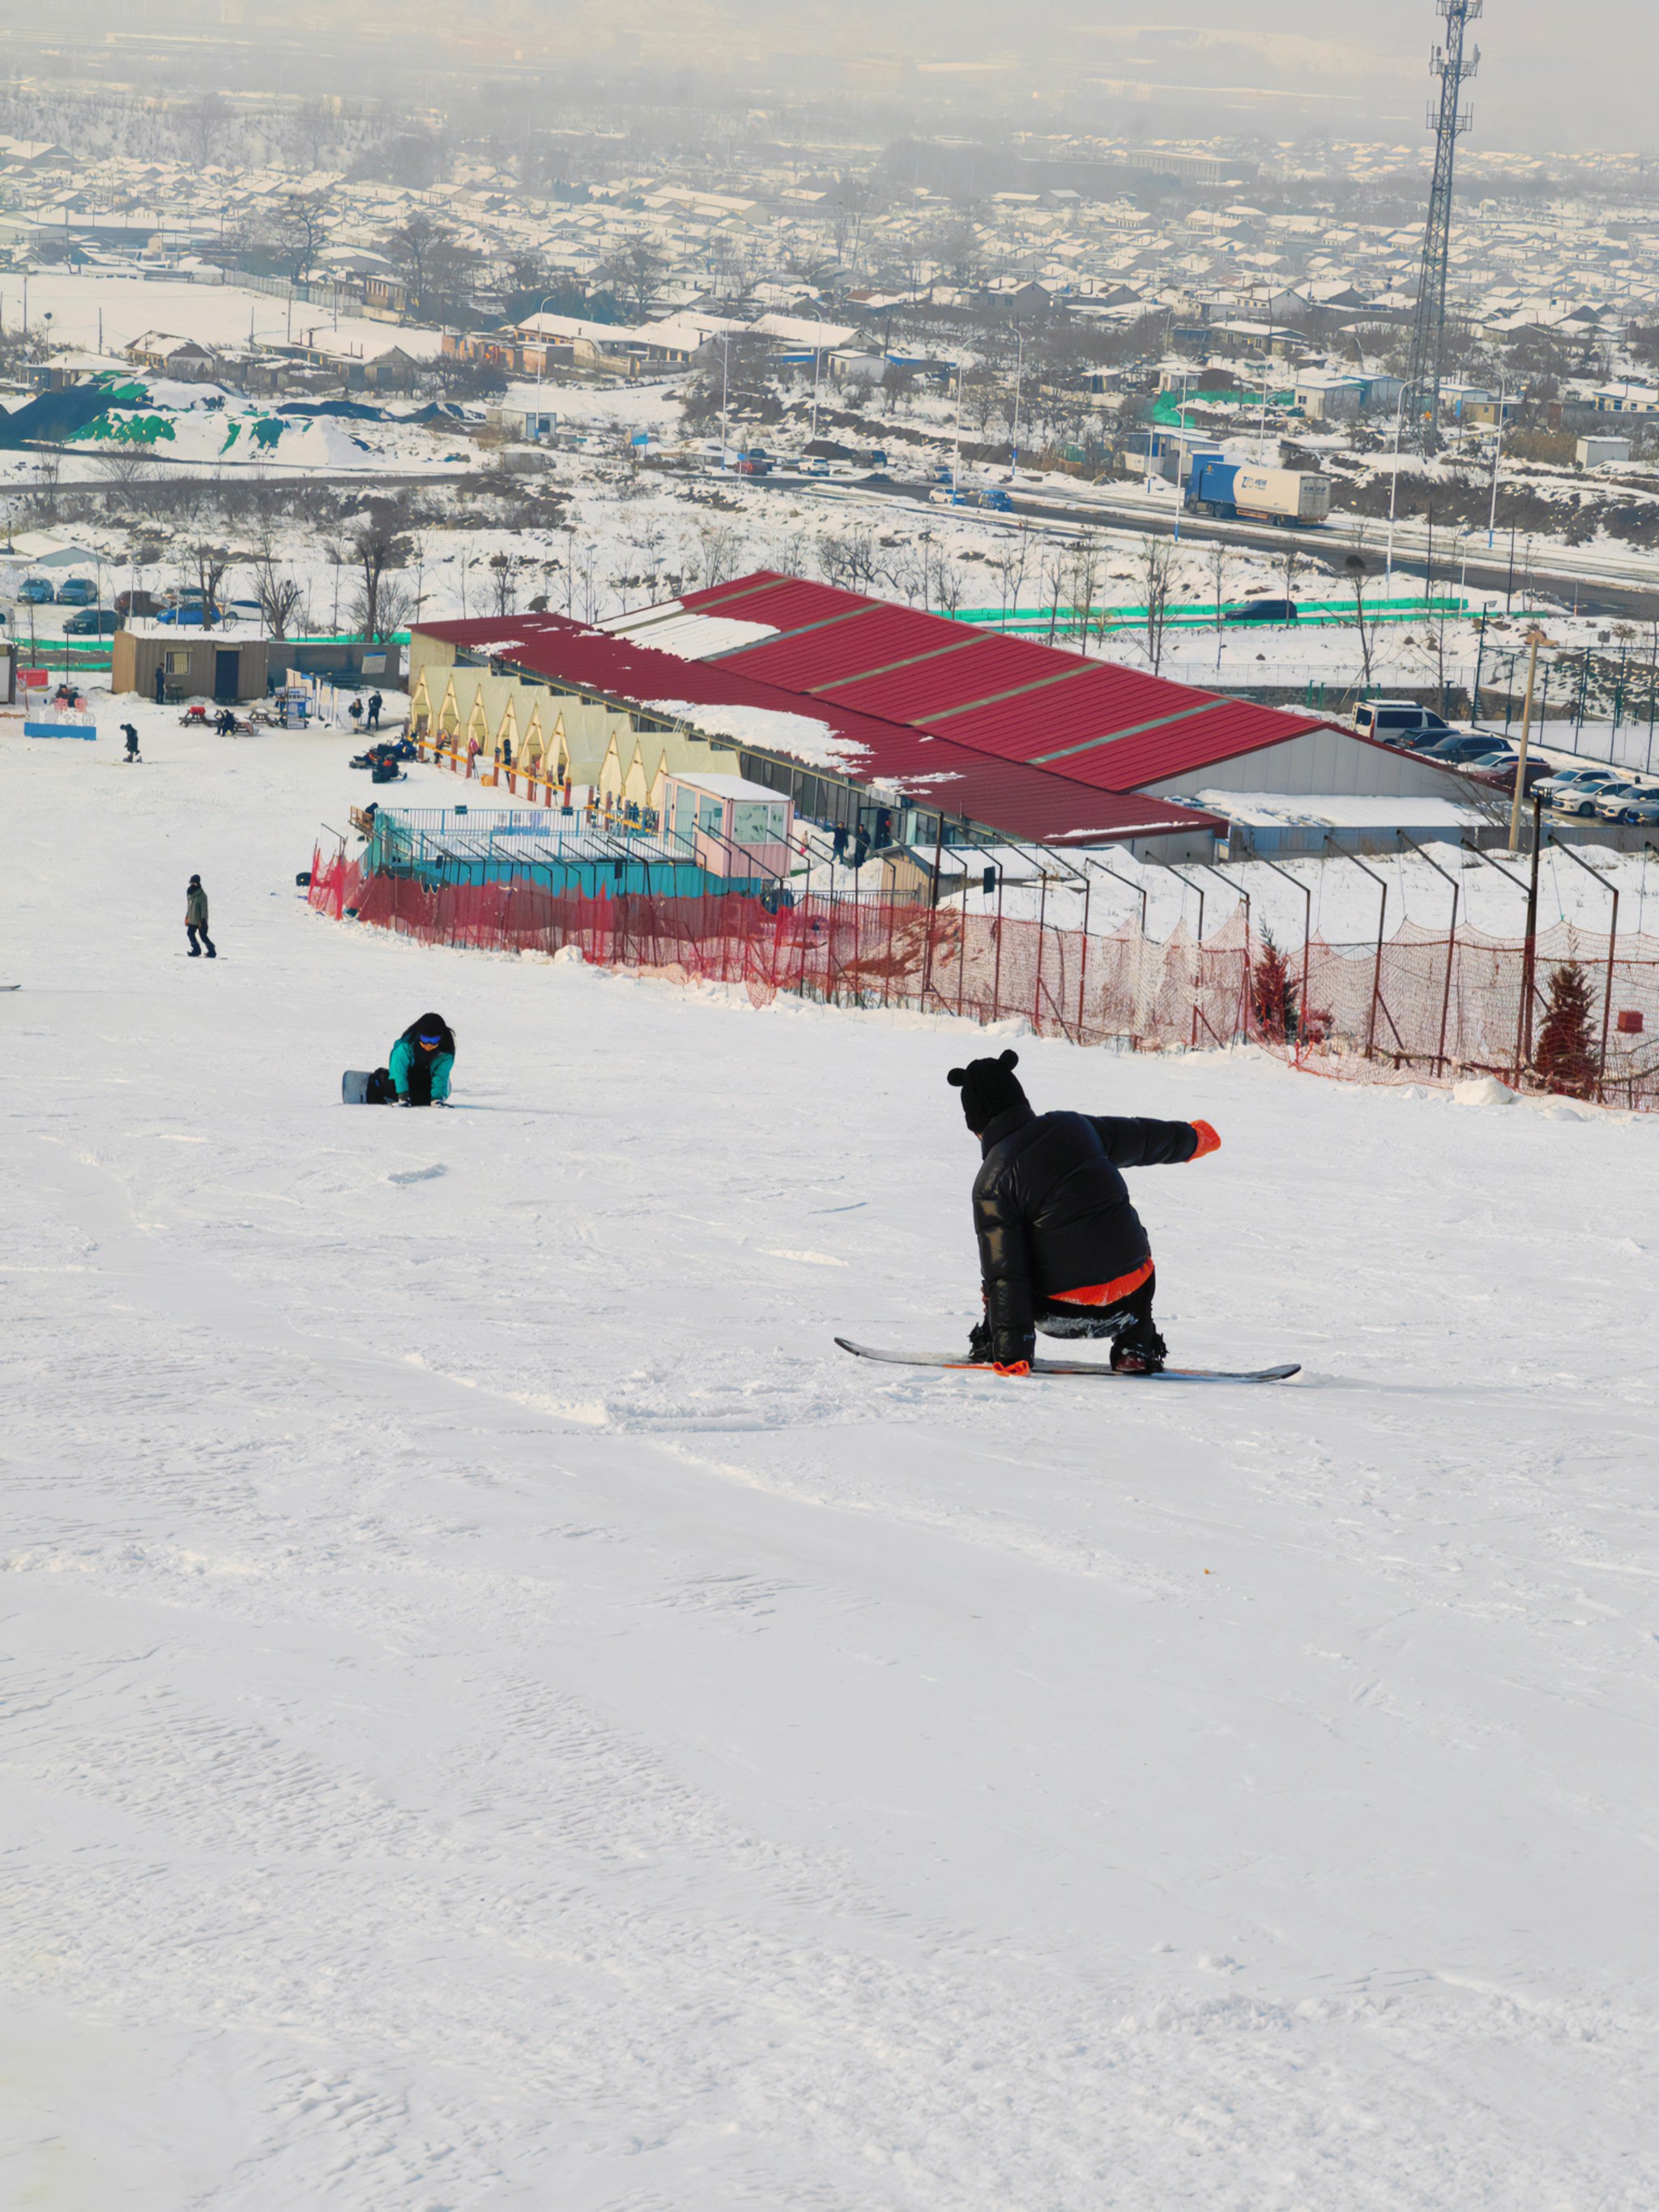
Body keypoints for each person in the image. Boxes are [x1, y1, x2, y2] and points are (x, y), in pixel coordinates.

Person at [947, 1048, 1219, 1377]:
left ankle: (992, 1343)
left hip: (1057, 1311)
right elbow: (1141, 1138)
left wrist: (1012, 1353)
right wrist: (1194, 1139)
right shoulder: (1074, 1125)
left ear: (976, 1124)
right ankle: (1135, 1347)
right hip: (1130, 1298)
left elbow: (1007, 1274)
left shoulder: (992, 1181)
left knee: (999, 1268)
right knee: (1126, 1242)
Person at [385, 1013, 454, 1107]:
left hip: (427, 1080)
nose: (429, 1044)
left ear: (441, 1038)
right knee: (391, 1088)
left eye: (434, 1040)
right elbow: (399, 1070)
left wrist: (436, 1098)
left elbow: (441, 1075)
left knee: (422, 1099)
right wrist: (403, 1095)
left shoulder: (446, 1052)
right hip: (407, 1077)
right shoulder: (405, 1045)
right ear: (419, 1035)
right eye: (425, 1039)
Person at [185, 874, 215, 959]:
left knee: (203, 936)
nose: (193, 885)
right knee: (190, 933)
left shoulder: (202, 896)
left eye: (195, 883)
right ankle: (196, 950)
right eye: (192, 883)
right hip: (192, 919)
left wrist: (203, 921)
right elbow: (189, 906)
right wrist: (187, 916)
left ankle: (212, 950)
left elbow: (204, 909)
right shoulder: (189, 893)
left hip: (200, 920)